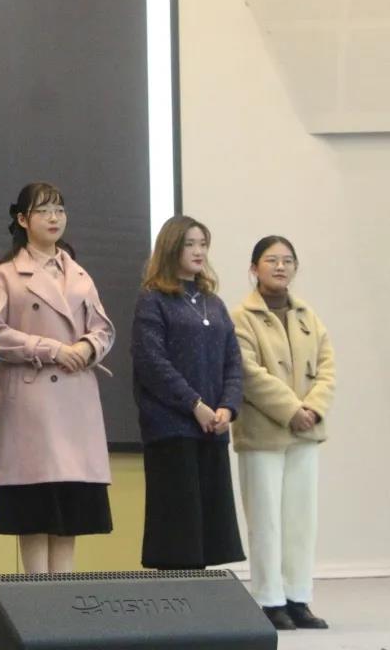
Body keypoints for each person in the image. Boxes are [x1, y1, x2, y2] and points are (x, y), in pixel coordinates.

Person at [0, 182, 116, 575]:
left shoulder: (78, 273)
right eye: (43, 211)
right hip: (31, 402)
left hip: (75, 400)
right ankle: (37, 597)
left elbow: (103, 327)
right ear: (23, 219)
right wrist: (52, 349)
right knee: (35, 508)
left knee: (69, 512)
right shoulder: (3, 275)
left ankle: (64, 597)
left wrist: (88, 348)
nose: (54, 218)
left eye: (59, 210)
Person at [231, 236, 335, 630]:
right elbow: (247, 372)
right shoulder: (241, 317)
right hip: (263, 433)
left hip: (306, 432)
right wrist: (291, 410)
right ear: (253, 268)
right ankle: (270, 600)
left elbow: (327, 368)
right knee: (266, 519)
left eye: (287, 261)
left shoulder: (309, 315)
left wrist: (313, 408)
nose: (280, 267)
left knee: (300, 519)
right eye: (271, 260)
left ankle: (298, 598)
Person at [130, 215, 244, 570]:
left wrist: (227, 407)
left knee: (209, 531)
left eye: (203, 244)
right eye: (190, 244)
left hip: (212, 429)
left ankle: (204, 594)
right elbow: (152, 362)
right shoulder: (153, 300)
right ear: (171, 247)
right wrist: (194, 404)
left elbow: (233, 361)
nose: (199, 251)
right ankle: (178, 595)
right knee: (178, 531)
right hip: (171, 430)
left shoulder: (214, 303)